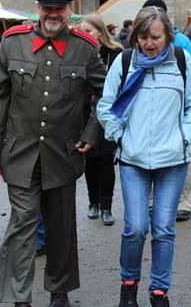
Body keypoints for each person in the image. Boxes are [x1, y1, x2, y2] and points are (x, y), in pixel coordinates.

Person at [0, 0, 107, 307]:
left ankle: (59, 291)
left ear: (69, 10)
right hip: (19, 153)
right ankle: (18, 296)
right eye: (46, 7)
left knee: (61, 226)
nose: (53, 13)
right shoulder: (12, 44)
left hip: (64, 154)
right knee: (22, 223)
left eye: (60, 7)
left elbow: (104, 96)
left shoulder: (85, 48)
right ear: (37, 8)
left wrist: (90, 134)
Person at [97, 6, 191, 307]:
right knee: (135, 227)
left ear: (167, 36)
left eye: (155, 37)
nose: (149, 43)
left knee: (163, 228)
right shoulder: (125, 62)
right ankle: (128, 285)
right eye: (143, 36)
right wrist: (119, 135)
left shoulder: (182, 62)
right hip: (134, 159)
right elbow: (106, 106)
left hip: (172, 159)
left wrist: (184, 135)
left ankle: (159, 291)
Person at [142, 0, 191, 221]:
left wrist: (188, 129)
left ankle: (183, 201)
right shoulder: (139, 42)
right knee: (148, 155)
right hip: (148, 110)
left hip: (176, 109)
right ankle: (154, 200)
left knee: (179, 156)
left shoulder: (181, 42)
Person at [79, 13, 124, 226]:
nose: (84, 34)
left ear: (100, 31)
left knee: (106, 161)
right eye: (82, 30)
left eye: (88, 30)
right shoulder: (78, 52)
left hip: (107, 113)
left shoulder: (115, 52)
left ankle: (106, 206)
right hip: (86, 114)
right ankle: (93, 202)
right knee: (90, 161)